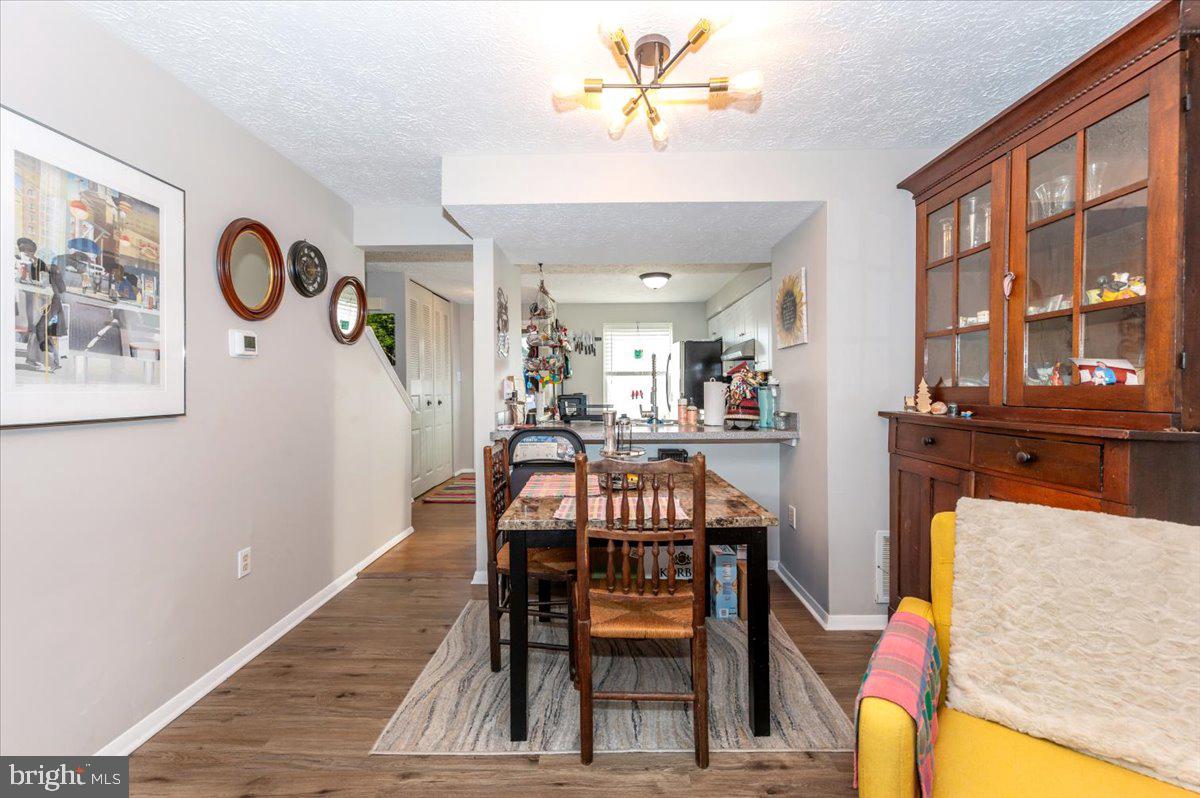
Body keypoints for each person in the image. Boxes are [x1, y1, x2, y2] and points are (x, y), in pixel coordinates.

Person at [17, 238, 65, 372]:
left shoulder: (40, 264)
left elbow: (47, 284)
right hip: (27, 300)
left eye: (30, 251)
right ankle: (41, 360)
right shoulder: (17, 261)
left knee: (40, 329)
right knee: (37, 329)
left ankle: (47, 361)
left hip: (42, 301)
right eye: (23, 250)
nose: (27, 253)